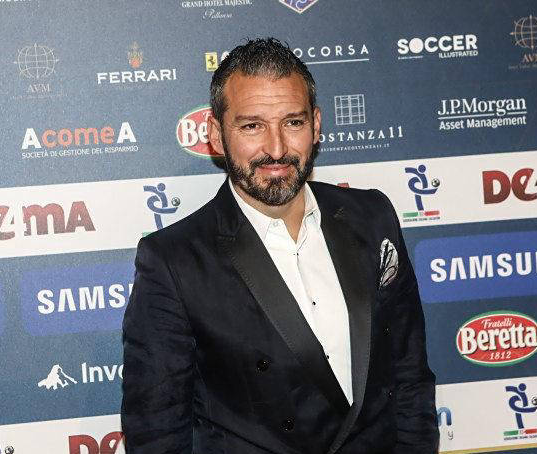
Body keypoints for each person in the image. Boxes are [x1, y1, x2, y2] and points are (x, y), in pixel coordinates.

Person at [121, 37, 438, 454]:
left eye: (293, 123)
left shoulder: (372, 217)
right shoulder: (174, 260)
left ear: (316, 125)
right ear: (216, 135)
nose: (276, 149)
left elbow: (409, 374)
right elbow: (157, 430)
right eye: (252, 126)